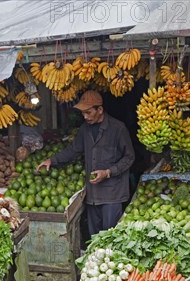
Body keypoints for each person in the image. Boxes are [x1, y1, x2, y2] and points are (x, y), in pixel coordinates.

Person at [37, 90, 135, 236]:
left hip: (112, 195)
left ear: (100, 110)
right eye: (83, 113)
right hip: (93, 195)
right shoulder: (85, 129)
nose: (85, 116)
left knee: (110, 238)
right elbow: (73, 150)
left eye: (88, 112)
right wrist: (52, 160)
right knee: (94, 238)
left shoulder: (118, 128)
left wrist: (108, 172)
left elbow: (129, 157)